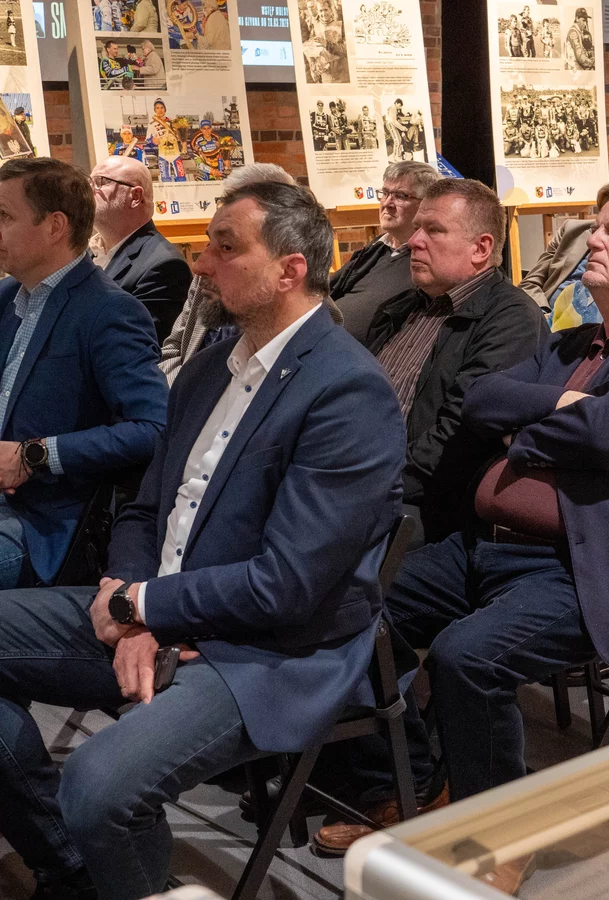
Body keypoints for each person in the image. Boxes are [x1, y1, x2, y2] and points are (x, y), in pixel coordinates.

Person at [0, 180, 407, 900]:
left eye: (225, 247)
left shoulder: (348, 390)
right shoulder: (211, 365)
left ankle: (97, 861)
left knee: (98, 783)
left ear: (290, 269)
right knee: (85, 792)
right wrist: (127, 597)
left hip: (263, 649)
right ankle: (72, 865)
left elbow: (287, 584)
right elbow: (144, 509)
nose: (201, 262)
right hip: (160, 605)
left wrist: (143, 607)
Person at [314, 185, 609, 892]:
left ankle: (502, 834)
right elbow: (482, 402)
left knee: (465, 656)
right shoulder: (568, 344)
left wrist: (534, 431)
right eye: (595, 228)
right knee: (343, 605)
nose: (593, 240)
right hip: (485, 545)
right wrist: (568, 407)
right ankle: (409, 785)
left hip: (584, 565)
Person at [0, 157, 166, 591]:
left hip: (42, 523)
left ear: (55, 226)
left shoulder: (109, 311)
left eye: (4, 216)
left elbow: (154, 427)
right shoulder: (7, 296)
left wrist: (34, 454)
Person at [363, 178, 546, 546]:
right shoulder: (402, 307)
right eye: (417, 228)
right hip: (362, 477)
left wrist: (365, 483)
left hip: (426, 507)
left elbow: (458, 442)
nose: (415, 241)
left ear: (481, 248)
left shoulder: (511, 319)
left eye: (434, 230)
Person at [160, 164, 347, 384]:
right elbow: (174, 348)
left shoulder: (333, 370)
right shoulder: (209, 283)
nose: (199, 267)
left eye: (227, 246)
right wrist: (179, 394)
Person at [518, 169, 609, 330]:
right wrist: (543, 315)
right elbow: (530, 283)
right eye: (606, 208)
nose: (593, 240)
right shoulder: (571, 230)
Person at [329, 161, 440, 343]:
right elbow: (330, 290)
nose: (388, 203)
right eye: (385, 193)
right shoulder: (378, 246)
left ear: (425, 204)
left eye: (401, 196)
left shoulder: (426, 261)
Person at [89, 156, 192, 344]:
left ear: (135, 197)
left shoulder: (165, 265)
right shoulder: (84, 252)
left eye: (101, 182)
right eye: (90, 182)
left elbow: (134, 344)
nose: (90, 190)